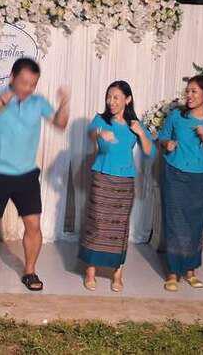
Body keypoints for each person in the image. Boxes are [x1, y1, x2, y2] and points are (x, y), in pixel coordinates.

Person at [0, 58, 69, 291]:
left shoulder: (38, 102)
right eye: (24, 82)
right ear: (12, 77)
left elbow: (59, 124)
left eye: (33, 84)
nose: (28, 88)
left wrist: (64, 103)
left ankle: (30, 271)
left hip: (26, 174)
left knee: (33, 225)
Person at [79, 81, 155, 292]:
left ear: (127, 100)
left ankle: (117, 274)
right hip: (102, 178)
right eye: (109, 97)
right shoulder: (100, 120)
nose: (110, 101)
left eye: (116, 97)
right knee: (97, 223)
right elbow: (90, 134)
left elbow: (149, 152)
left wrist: (141, 133)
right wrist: (99, 134)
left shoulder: (134, 125)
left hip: (124, 183)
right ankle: (90, 271)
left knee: (119, 227)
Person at [158, 75, 203, 292]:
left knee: (196, 223)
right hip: (174, 173)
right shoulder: (176, 116)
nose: (188, 95)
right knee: (174, 221)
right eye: (187, 91)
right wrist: (167, 144)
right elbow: (162, 136)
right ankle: (172, 272)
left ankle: (190, 270)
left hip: (200, 177)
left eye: (193, 91)